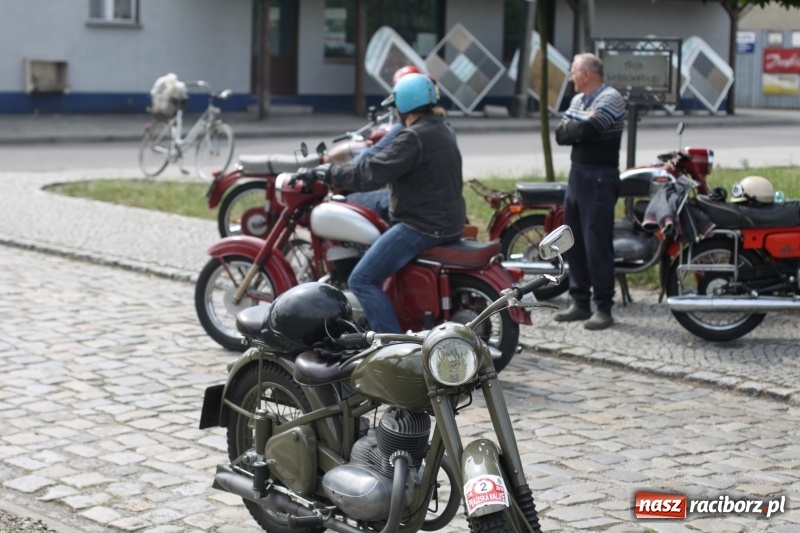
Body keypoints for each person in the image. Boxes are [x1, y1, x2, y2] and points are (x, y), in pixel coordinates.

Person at [298, 73, 466, 333]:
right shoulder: (439, 128)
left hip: (422, 226)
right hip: (448, 220)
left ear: (403, 106)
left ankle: (391, 345)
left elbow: (371, 173)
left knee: (362, 279)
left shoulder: (413, 138)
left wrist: (327, 173)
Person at [553, 52, 626, 330]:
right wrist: (578, 126)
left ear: (586, 74)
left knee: (597, 242)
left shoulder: (611, 97)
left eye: (573, 71)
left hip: (599, 177)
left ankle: (604, 306)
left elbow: (592, 129)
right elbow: (560, 135)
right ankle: (579, 301)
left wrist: (577, 126)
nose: (570, 77)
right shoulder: (577, 100)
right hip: (577, 175)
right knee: (574, 241)